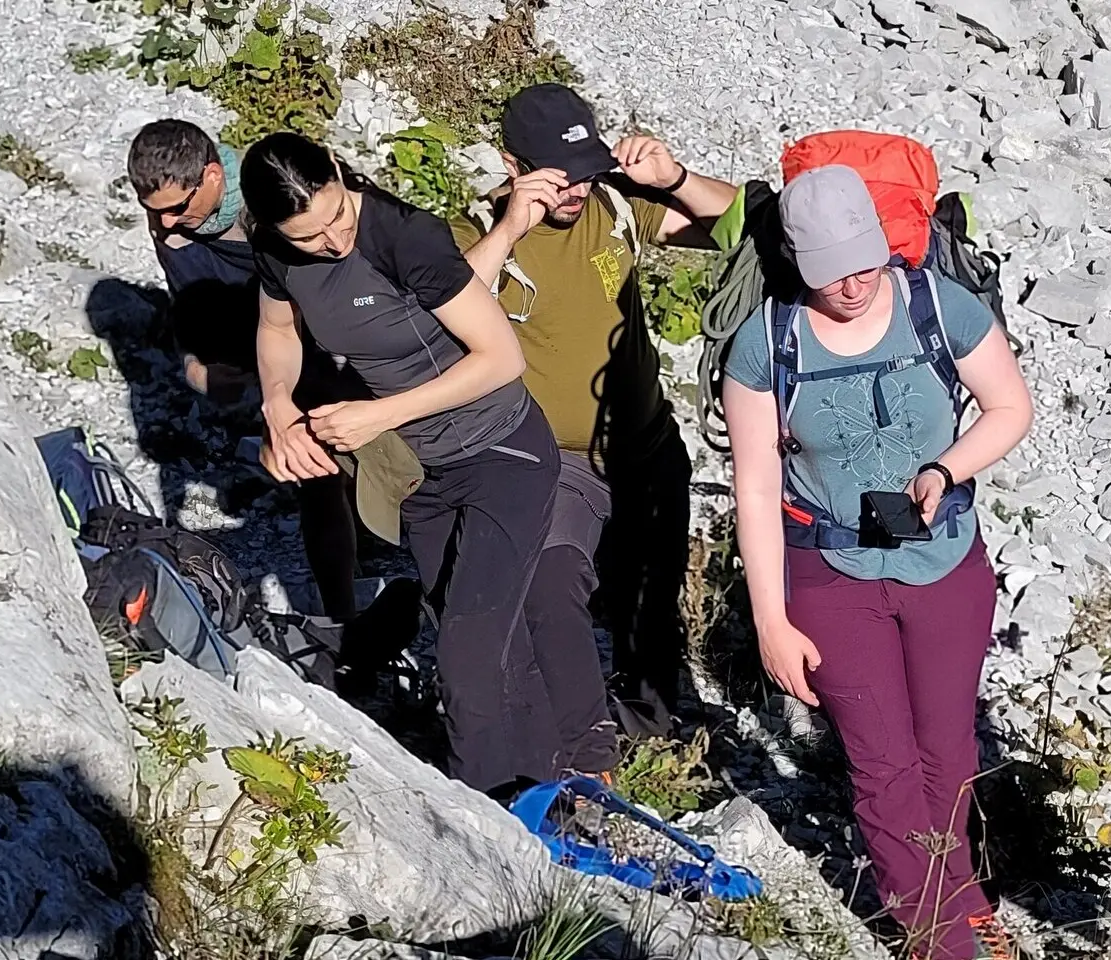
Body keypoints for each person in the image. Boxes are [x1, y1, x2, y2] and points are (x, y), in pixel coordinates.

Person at [721, 164, 1032, 960]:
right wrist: (770, 622)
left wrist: (945, 470)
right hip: (827, 576)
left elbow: (1009, 407)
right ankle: (937, 939)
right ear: (796, 262)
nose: (853, 287)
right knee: (882, 764)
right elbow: (754, 488)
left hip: (946, 563)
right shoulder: (765, 344)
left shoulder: (936, 305)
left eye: (864, 265)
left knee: (949, 748)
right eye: (830, 274)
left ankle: (961, 896)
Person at [240, 131, 610, 794]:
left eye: (336, 216)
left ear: (333, 165)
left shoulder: (405, 238)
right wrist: (277, 405)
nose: (332, 241)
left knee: (466, 660)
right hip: (427, 473)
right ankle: (547, 786)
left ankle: (492, 818)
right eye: (310, 237)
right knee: (486, 635)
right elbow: (276, 330)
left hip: (505, 454)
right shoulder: (273, 249)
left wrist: (380, 414)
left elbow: (502, 359)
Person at [448, 83, 737, 742]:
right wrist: (510, 227)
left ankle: (652, 729)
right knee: (554, 587)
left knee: (651, 598)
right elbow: (449, 307)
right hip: (551, 459)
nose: (574, 192)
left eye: (585, 173)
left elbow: (735, 229)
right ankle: (572, 731)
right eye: (558, 176)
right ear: (512, 164)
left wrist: (677, 178)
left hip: (644, 441)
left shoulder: (612, 205)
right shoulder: (477, 229)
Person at [126, 119, 366, 622]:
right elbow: (188, 304)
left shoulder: (277, 198)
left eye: (175, 208)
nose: (165, 224)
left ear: (213, 175)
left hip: (336, 344)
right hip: (267, 365)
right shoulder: (175, 222)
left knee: (341, 464)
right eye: (155, 212)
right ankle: (344, 616)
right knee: (316, 474)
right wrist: (196, 365)